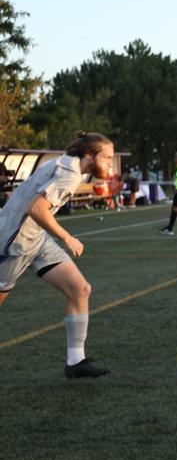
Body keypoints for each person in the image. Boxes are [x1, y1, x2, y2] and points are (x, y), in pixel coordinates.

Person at [0, 132, 114, 378]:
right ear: (89, 155)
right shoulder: (71, 174)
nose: (109, 164)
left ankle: (76, 361)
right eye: (106, 158)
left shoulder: (64, 164)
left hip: (36, 238)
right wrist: (67, 237)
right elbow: (36, 208)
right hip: (14, 243)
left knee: (80, 289)